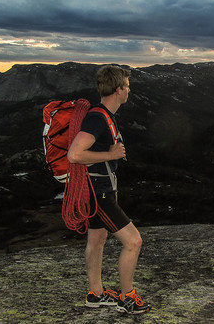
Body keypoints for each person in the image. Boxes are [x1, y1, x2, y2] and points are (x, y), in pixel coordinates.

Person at [67, 65, 150, 314]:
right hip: (98, 193)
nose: (129, 90)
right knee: (134, 241)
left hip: (99, 190)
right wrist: (111, 153)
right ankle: (127, 297)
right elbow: (75, 154)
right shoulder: (97, 117)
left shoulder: (104, 114)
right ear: (118, 90)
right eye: (127, 86)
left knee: (97, 238)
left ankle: (96, 294)